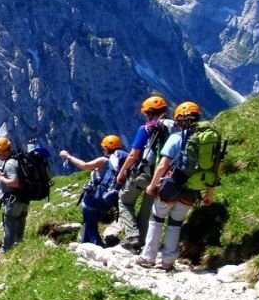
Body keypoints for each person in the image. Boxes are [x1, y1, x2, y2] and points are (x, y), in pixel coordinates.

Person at [137, 101, 214, 271]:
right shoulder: (207, 141)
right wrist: (209, 193)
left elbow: (163, 165)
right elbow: (215, 169)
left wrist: (152, 185)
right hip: (193, 189)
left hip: (171, 186)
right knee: (175, 224)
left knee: (157, 219)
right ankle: (168, 262)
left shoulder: (176, 137)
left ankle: (148, 257)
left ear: (180, 119)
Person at [115, 96, 173, 253]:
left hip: (144, 173)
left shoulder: (147, 128)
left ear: (149, 113)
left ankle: (133, 236)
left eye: (146, 113)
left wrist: (121, 174)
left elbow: (133, 154)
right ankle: (141, 242)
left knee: (124, 200)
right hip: (163, 177)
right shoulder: (175, 128)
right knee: (148, 209)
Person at [60, 135, 128, 247]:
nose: (102, 150)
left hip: (93, 197)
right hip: (108, 200)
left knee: (90, 222)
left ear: (106, 148)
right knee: (90, 222)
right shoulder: (122, 163)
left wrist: (68, 156)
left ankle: (97, 246)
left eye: (103, 148)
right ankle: (85, 243)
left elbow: (85, 165)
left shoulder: (104, 160)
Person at [0, 137, 27, 252]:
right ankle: (19, 250)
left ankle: (6, 252)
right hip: (24, 199)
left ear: (2, 152)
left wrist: (1, 178)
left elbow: (14, 182)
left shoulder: (10, 164)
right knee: (20, 225)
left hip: (14, 200)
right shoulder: (17, 159)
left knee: (9, 225)